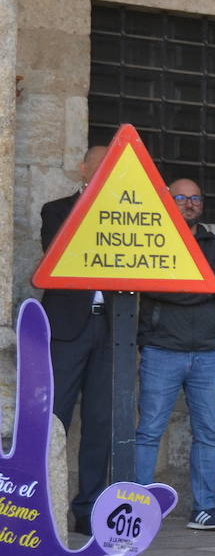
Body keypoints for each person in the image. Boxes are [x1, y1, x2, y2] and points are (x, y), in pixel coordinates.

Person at [133, 178, 215, 531]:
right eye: (181, 197)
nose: (189, 203)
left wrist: (189, 283)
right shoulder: (155, 242)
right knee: (149, 431)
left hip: (208, 355)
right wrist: (207, 284)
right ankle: (136, 510)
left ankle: (204, 509)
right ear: (167, 201)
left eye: (196, 197)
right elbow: (155, 285)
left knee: (207, 434)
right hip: (162, 350)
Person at [38, 144, 111, 536]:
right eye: (98, 167)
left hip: (111, 329)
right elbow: (57, 253)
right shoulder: (56, 209)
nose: (103, 174)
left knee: (101, 422)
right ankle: (44, 504)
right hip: (68, 328)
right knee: (56, 419)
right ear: (82, 169)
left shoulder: (126, 216)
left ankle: (88, 509)